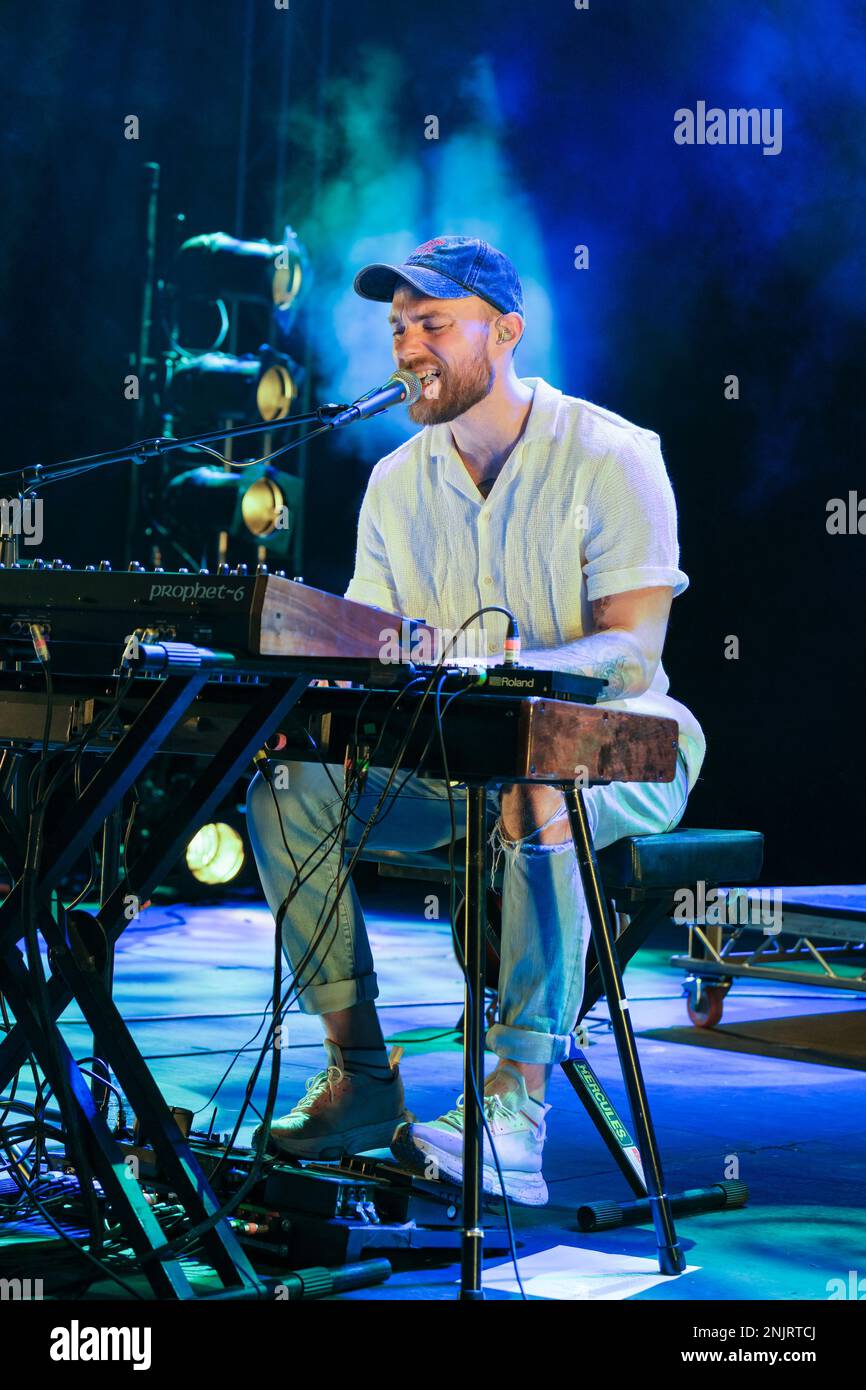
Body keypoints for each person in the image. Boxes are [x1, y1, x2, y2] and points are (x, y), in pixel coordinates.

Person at [245, 235, 705, 1205]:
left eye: (432, 324)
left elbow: (632, 651)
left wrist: (494, 665)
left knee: (533, 783)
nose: (408, 348)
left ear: (504, 332)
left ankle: (515, 1105)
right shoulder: (396, 482)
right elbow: (370, 645)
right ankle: (361, 1078)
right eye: (398, 328)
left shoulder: (612, 454)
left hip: (622, 747)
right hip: (453, 759)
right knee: (289, 785)